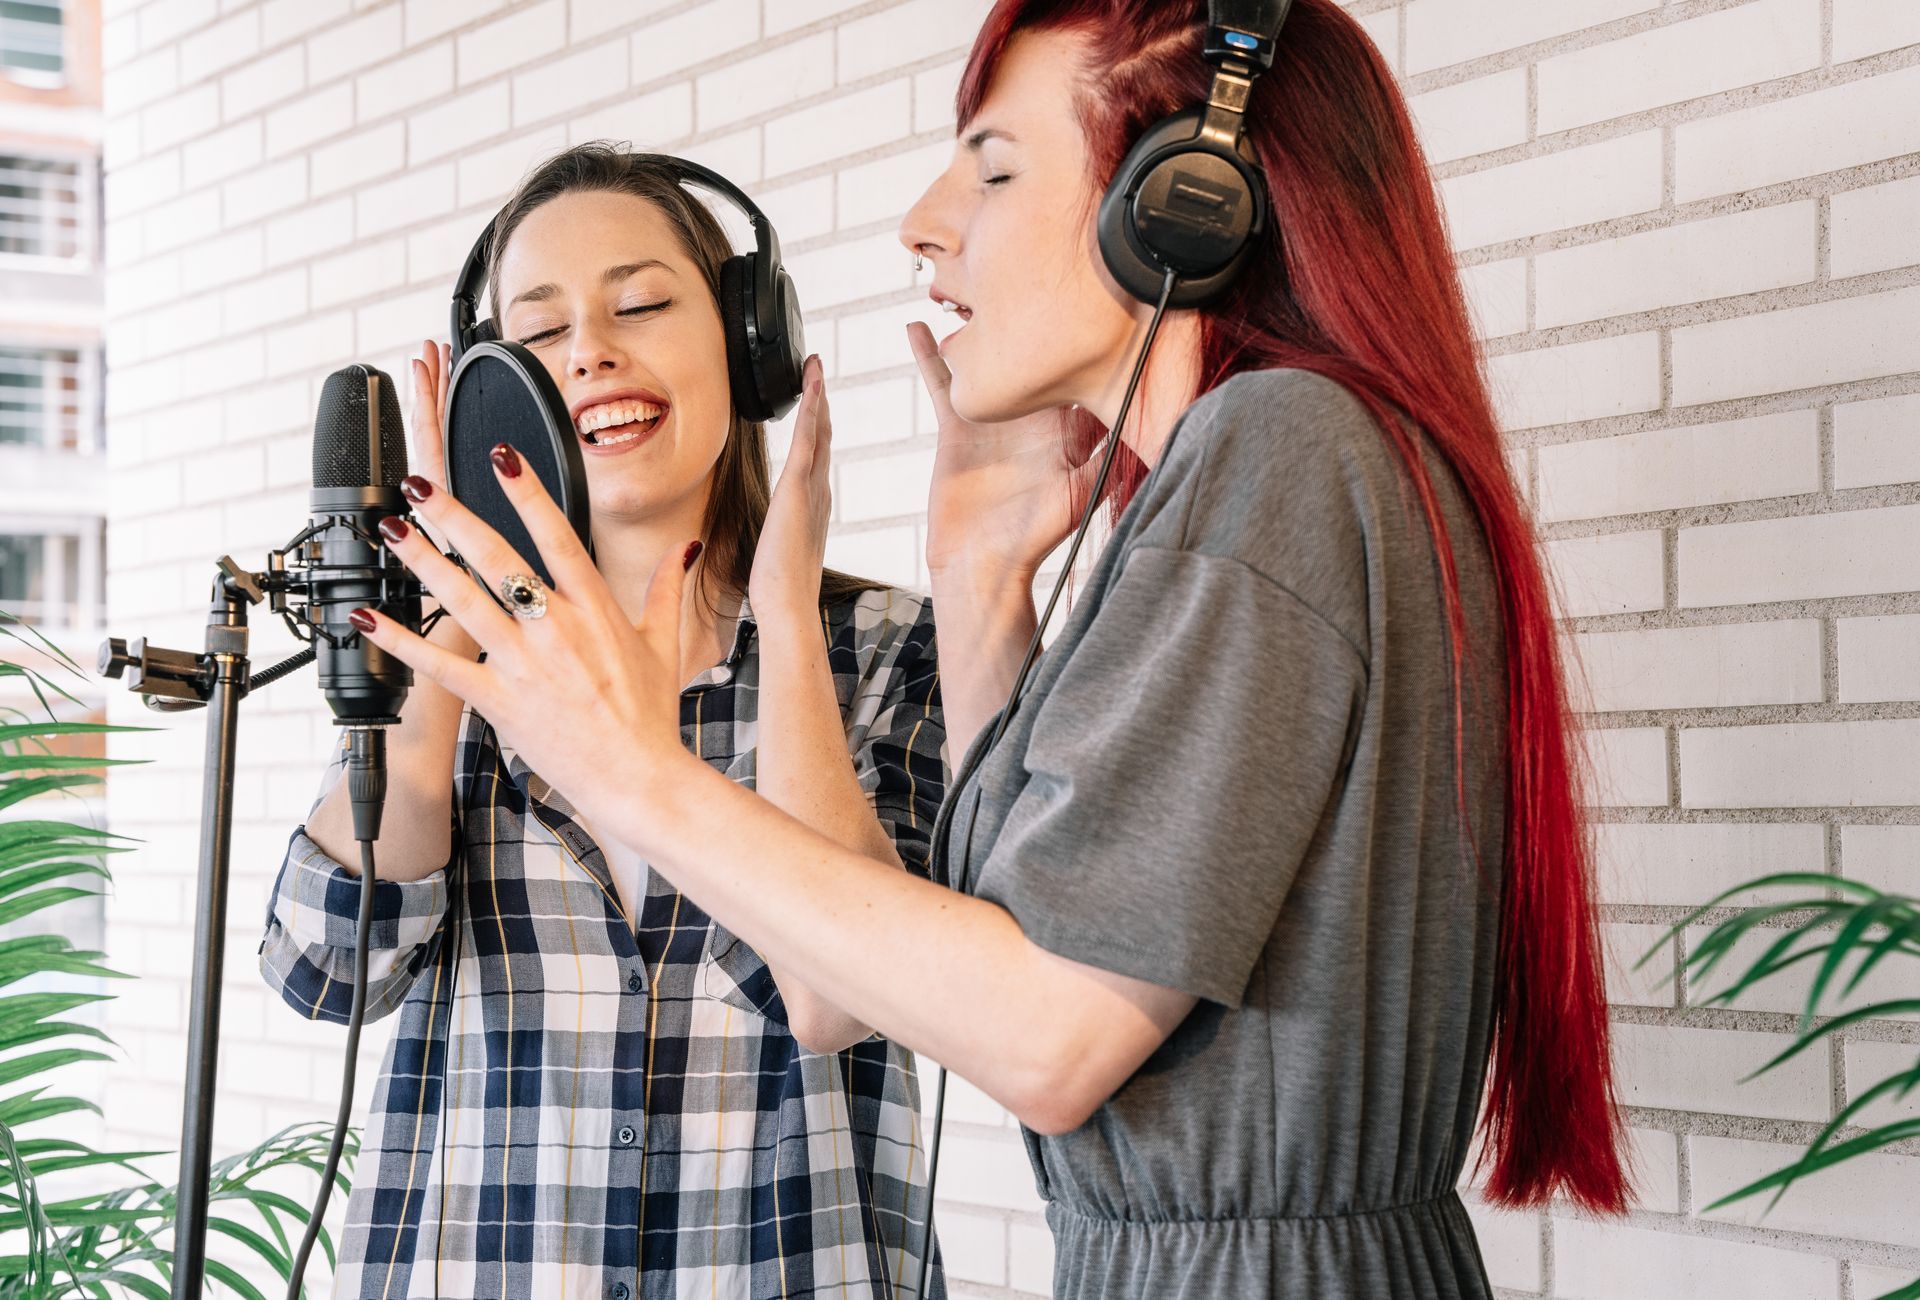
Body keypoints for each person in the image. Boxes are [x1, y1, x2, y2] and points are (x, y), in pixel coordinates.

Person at [349, 3, 1631, 1297]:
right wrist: (982, 584)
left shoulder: (1281, 452)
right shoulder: (1257, 470)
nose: (925, 219)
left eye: (997, 165)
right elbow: (1040, 932)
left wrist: (636, 768)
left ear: (1185, 202)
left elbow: (1043, 1035)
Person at [259, 145, 948, 1299]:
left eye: (640, 303)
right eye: (537, 336)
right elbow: (329, 969)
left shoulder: (883, 647)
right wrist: (450, 612)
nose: (589, 351)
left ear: (746, 344)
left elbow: (853, 994)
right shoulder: (452, 669)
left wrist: (784, 615)